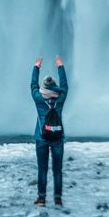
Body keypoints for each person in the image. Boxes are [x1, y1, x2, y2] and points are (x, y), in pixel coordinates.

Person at [30, 55, 68, 207]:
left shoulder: (39, 98)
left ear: (44, 87)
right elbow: (65, 85)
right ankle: (58, 199)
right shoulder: (60, 97)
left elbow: (33, 85)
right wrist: (60, 66)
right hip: (58, 138)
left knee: (42, 169)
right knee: (57, 170)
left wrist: (36, 67)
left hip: (41, 138)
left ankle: (41, 199)